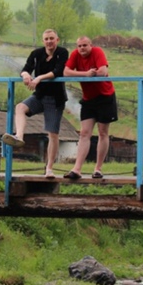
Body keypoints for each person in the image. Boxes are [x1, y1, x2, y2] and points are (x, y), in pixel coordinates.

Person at [2, 29, 69, 179]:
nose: (49, 41)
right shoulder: (36, 54)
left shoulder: (62, 52)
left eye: (51, 38)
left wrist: (39, 78)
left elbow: (58, 71)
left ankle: (49, 168)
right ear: (43, 41)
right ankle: (19, 136)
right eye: (46, 39)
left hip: (55, 98)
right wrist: (25, 75)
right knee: (20, 107)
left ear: (57, 40)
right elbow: (26, 68)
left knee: (53, 133)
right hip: (39, 96)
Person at [62, 35, 118, 180]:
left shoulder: (97, 52)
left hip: (105, 96)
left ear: (90, 45)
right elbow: (66, 72)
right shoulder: (75, 54)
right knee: (84, 133)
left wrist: (87, 74)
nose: (82, 48)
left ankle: (98, 169)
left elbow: (103, 71)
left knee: (103, 132)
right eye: (79, 46)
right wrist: (85, 74)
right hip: (88, 99)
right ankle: (77, 169)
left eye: (85, 45)